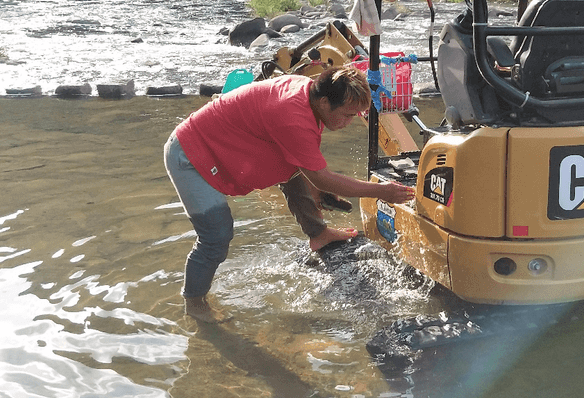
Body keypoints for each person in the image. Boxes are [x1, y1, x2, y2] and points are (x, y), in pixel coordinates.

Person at [164, 64, 414, 319]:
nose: (349, 123)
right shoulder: (293, 115)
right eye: (347, 115)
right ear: (326, 102)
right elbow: (322, 178)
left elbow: (303, 167)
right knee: (216, 237)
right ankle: (194, 304)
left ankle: (319, 233)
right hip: (191, 156)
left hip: (218, 146)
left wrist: (318, 189)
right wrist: (382, 191)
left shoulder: (308, 96)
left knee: (297, 168)